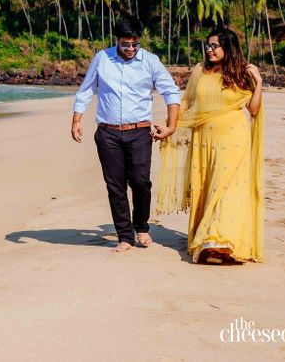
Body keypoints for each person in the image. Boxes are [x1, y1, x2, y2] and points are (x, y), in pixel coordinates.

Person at [72, 14, 182, 253]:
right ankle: (125, 235)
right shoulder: (102, 59)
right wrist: (77, 119)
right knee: (115, 186)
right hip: (108, 133)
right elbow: (85, 90)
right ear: (117, 40)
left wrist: (171, 125)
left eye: (135, 44)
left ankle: (141, 226)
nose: (131, 48)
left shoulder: (150, 62)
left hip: (140, 131)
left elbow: (171, 92)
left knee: (141, 182)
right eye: (125, 44)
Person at [156, 27, 264, 264]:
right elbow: (187, 103)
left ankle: (219, 243)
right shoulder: (200, 71)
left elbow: (253, 110)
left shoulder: (242, 74)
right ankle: (209, 241)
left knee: (225, 190)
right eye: (208, 45)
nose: (209, 49)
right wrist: (171, 126)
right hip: (204, 141)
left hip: (234, 140)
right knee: (207, 188)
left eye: (215, 45)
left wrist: (259, 83)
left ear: (228, 47)